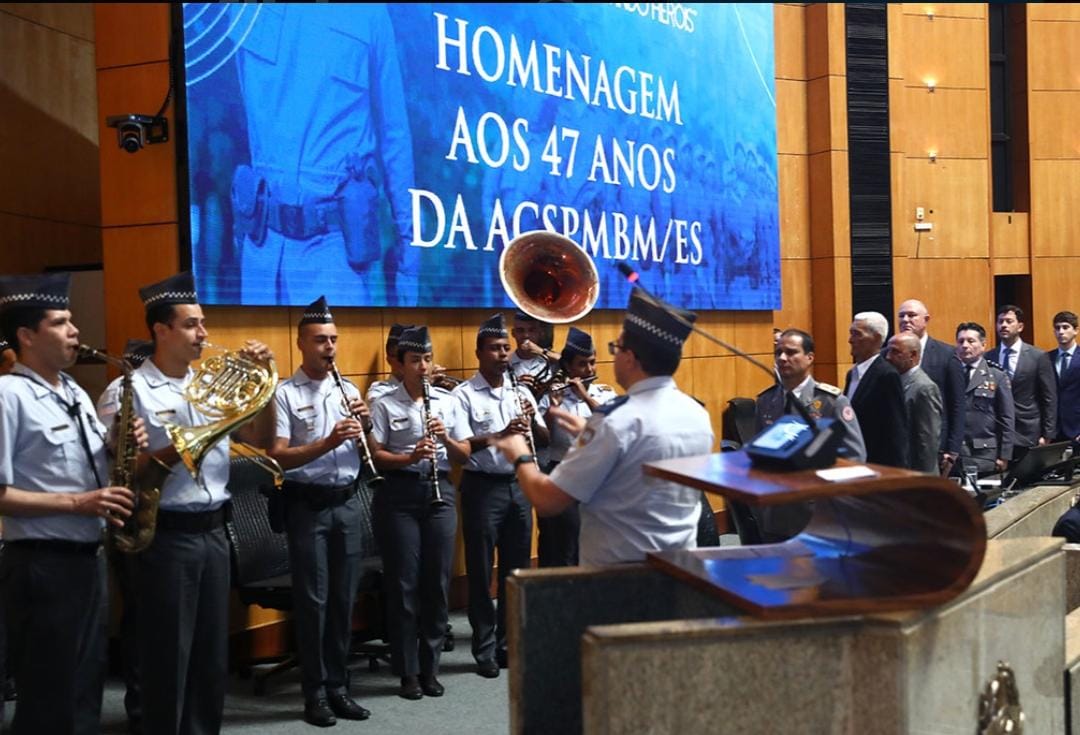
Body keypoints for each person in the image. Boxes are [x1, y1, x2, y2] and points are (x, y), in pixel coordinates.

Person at [112, 271, 276, 735]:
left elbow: (260, 442)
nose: (203, 334)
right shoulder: (129, 390)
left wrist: (263, 390)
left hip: (215, 531)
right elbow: (127, 473)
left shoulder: (210, 384)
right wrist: (183, 444)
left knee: (209, 659)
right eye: (191, 325)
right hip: (166, 535)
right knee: (167, 658)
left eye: (202, 323)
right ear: (161, 330)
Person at [0, 273, 138, 734]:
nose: (75, 331)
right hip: (41, 564)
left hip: (87, 559)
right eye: (60, 322)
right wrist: (78, 503)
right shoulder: (7, 396)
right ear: (26, 336)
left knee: (85, 689)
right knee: (48, 696)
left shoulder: (74, 391)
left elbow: (92, 461)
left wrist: (121, 441)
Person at [493, 290, 714, 566]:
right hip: (680, 567)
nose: (614, 356)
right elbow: (635, 463)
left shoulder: (616, 420)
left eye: (616, 348)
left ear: (631, 357)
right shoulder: (695, 413)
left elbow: (547, 500)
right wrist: (589, 434)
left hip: (620, 579)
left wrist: (519, 453)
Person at [231, 5, 419, 307]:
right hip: (262, 253)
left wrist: (409, 258)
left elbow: (394, 135)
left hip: (335, 252)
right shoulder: (249, 10)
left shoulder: (368, 14)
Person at [266, 296, 373, 727]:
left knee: (344, 600)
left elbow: (364, 449)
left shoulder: (347, 389)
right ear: (301, 344)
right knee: (314, 603)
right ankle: (314, 694)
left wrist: (364, 425)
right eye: (320, 340)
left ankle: (339, 686)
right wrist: (327, 442)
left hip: (346, 503)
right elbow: (277, 457)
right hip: (306, 506)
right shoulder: (284, 394)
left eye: (333, 340)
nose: (329, 347)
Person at [369, 326, 471, 700]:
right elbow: (376, 456)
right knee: (404, 584)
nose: (424, 367)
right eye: (416, 361)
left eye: (427, 359)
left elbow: (464, 454)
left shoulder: (447, 401)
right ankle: (407, 671)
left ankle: (431, 668)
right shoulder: (384, 402)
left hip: (439, 491)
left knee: (437, 583)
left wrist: (445, 439)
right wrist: (409, 457)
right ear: (402, 363)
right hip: (399, 496)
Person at [453, 313, 549, 677]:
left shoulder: (520, 391)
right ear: (479, 353)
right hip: (482, 488)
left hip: (518, 485)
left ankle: (510, 645)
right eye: (494, 349)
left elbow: (542, 439)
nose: (503, 354)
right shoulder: (463, 395)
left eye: (506, 348)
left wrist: (532, 419)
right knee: (480, 572)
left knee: (516, 571)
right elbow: (461, 448)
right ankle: (484, 649)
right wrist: (501, 434)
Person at [94, 337, 154, 735]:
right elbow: (111, 453)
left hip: (152, 510)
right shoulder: (121, 391)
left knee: (152, 613)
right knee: (139, 613)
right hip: (128, 510)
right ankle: (138, 704)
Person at [754, 329, 866, 541]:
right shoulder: (766, 401)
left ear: (809, 358)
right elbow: (759, 455)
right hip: (775, 511)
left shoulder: (831, 402)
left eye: (791, 352)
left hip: (817, 511)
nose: (782, 358)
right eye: (778, 353)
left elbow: (854, 456)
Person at [534, 327, 616, 567]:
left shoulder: (605, 395)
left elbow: (612, 428)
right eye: (582, 364)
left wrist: (587, 398)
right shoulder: (554, 397)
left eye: (592, 363)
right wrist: (551, 411)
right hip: (562, 476)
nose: (589, 370)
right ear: (568, 368)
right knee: (563, 544)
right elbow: (542, 439)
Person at [896, 299, 967, 475]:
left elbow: (957, 405)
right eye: (901, 316)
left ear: (926, 320)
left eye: (912, 315)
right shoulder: (890, 354)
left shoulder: (947, 354)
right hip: (900, 447)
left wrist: (953, 449)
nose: (905, 320)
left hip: (937, 447)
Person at [846, 312, 909, 467]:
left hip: (877, 466)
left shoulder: (886, 375)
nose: (850, 340)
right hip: (853, 463)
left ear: (876, 338)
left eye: (857, 334)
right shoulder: (851, 374)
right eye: (851, 333)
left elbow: (896, 430)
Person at [993, 305, 1056, 458]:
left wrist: (1048, 434)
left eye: (1009, 321)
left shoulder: (1038, 356)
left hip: (1028, 431)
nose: (1004, 325)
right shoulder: (989, 356)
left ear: (1020, 326)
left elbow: (1049, 397)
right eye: (1000, 321)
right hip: (997, 432)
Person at [955, 322, 1015, 476]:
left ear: (983, 345)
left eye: (970, 341)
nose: (965, 345)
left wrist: (1005, 455)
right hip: (954, 455)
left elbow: (1007, 418)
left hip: (984, 454)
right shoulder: (949, 373)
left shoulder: (996, 375)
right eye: (960, 341)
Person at [885, 332, 944, 474]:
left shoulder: (924, 388)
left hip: (917, 474)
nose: (888, 357)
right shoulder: (893, 382)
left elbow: (927, 442)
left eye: (895, 352)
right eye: (888, 351)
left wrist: (922, 481)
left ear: (913, 355)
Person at [508, 310, 559, 390]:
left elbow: (569, 363)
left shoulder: (550, 360)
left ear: (540, 333)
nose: (526, 335)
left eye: (532, 330)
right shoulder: (506, 363)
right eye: (520, 330)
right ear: (513, 333)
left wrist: (540, 351)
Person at [1052, 311, 1080, 443]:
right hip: (1054, 431)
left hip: (1077, 428)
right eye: (1057, 328)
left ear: (1076, 330)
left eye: (1065, 327)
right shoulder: (1046, 358)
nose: (1061, 332)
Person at [368, 323, 412, 404]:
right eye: (399, 357)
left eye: (412, 358)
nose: (404, 362)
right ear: (388, 359)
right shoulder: (379, 390)